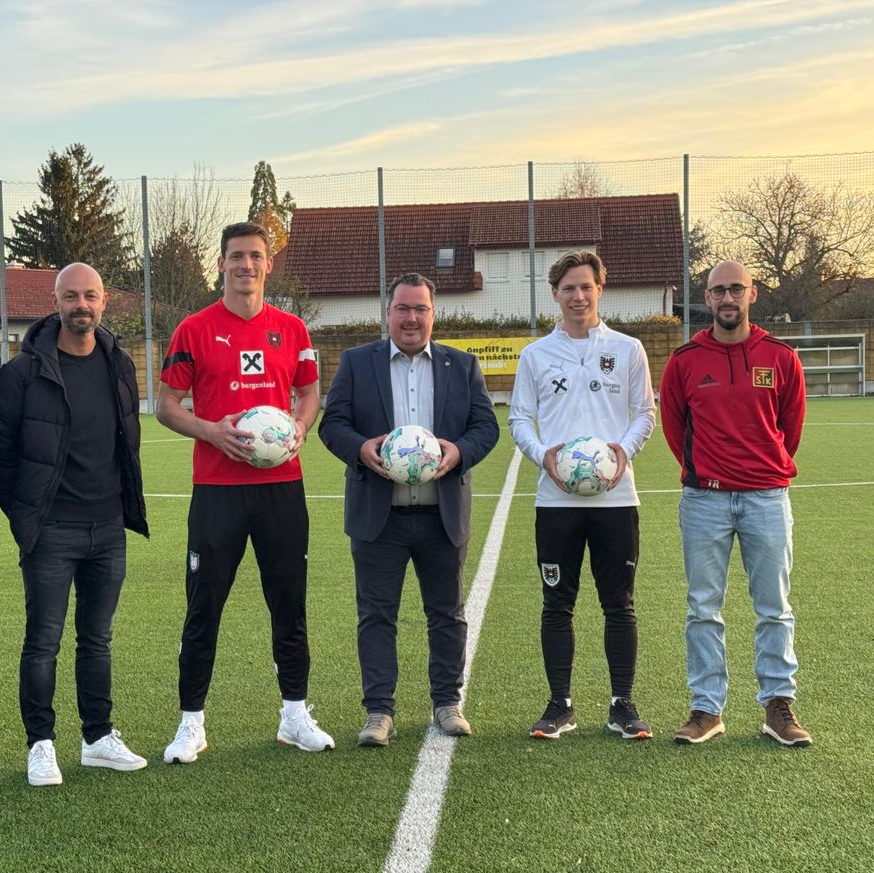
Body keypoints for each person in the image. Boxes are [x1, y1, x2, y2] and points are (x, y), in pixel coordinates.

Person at [155, 221, 333, 763]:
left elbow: (309, 394)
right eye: (237, 256)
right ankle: (192, 724)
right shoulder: (194, 328)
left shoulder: (293, 330)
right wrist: (212, 431)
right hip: (218, 490)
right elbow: (166, 403)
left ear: (267, 264)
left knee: (289, 603)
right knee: (203, 605)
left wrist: (299, 429)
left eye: (256, 256)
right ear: (222, 263)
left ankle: (294, 715)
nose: (246, 266)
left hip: (282, 488)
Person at [318, 273, 498, 746]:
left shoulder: (462, 365)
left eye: (421, 309)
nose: (411, 318)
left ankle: (447, 703)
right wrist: (361, 449)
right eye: (403, 308)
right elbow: (332, 423)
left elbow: (485, 427)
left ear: (433, 314)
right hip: (380, 518)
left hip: (441, 516)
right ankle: (379, 713)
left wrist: (458, 452)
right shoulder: (358, 363)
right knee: (376, 615)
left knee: (447, 613)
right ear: (388, 312)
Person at [0, 263, 150, 786]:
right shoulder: (22, 372)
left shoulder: (119, 364)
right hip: (51, 531)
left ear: (104, 302)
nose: (82, 305)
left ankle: (98, 737)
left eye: (91, 296)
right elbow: (2, 456)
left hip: (107, 528)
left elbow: (127, 442)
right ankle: (41, 745)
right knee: (43, 641)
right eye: (71, 296)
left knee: (97, 639)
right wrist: (26, 517)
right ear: (55, 302)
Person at [660, 260, 811, 747]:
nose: (727, 299)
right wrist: (708, 473)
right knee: (703, 607)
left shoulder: (781, 357)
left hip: (767, 498)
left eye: (736, 290)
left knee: (774, 607)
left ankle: (777, 706)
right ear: (706, 299)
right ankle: (707, 708)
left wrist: (764, 472)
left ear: (753, 293)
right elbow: (674, 427)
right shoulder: (684, 361)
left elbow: (790, 427)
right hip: (705, 501)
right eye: (718, 291)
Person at [508, 250, 656, 741]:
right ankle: (560, 705)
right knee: (557, 605)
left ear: (600, 290)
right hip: (557, 502)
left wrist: (622, 451)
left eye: (586, 286)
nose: (578, 296)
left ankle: (622, 705)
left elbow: (644, 414)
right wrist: (544, 457)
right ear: (555, 294)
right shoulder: (535, 355)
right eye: (568, 288)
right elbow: (518, 419)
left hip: (616, 501)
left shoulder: (629, 349)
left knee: (620, 604)